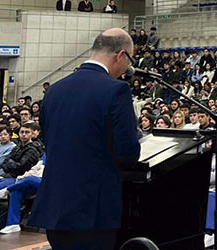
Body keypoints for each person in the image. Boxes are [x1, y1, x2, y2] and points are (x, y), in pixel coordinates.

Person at [28, 28, 141, 249]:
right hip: (92, 209)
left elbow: (50, 141)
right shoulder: (116, 90)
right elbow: (126, 153)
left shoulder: (55, 90)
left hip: (56, 204)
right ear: (121, 55)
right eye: (129, 60)